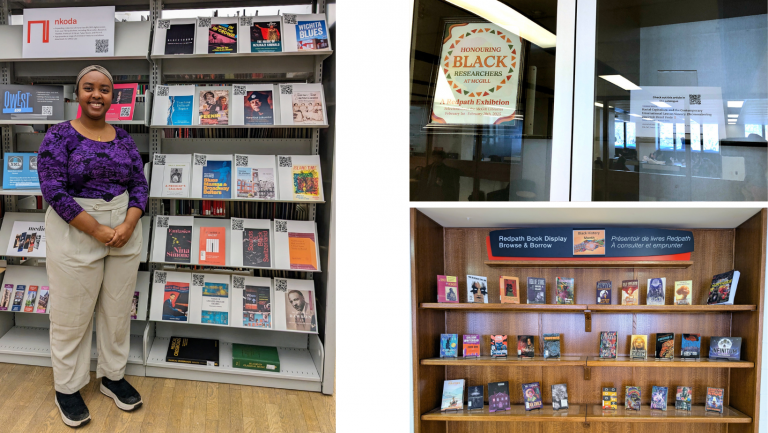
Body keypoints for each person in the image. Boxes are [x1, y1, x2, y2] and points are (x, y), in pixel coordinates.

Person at [38, 65, 148, 427]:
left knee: (117, 310)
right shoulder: (58, 136)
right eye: (89, 88)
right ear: (77, 93)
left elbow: (139, 184)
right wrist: (98, 229)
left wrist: (129, 223)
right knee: (72, 314)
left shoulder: (125, 138)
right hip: (77, 228)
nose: (97, 95)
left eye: (104, 89)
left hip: (124, 228)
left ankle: (113, 377)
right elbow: (53, 190)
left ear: (113, 96)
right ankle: (67, 387)